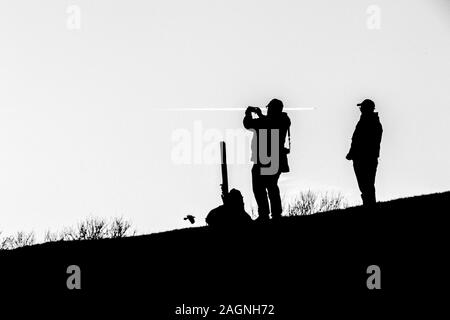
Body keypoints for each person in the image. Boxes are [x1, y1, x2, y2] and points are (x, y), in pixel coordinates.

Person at [243, 99, 291, 222]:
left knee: (265, 187)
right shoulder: (282, 120)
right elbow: (253, 123)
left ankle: (269, 214)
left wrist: (253, 114)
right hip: (270, 158)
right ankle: (271, 214)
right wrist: (255, 114)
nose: (268, 110)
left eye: (269, 108)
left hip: (268, 159)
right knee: (267, 186)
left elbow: (250, 124)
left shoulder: (278, 120)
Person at [346, 99, 383, 207]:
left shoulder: (371, 123)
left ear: (367, 108)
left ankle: (369, 205)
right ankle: (368, 204)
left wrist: (355, 153)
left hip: (366, 158)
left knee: (367, 184)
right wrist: (351, 153)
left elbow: (362, 140)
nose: (360, 109)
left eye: (362, 107)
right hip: (360, 158)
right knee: (365, 184)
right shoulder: (365, 121)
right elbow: (356, 140)